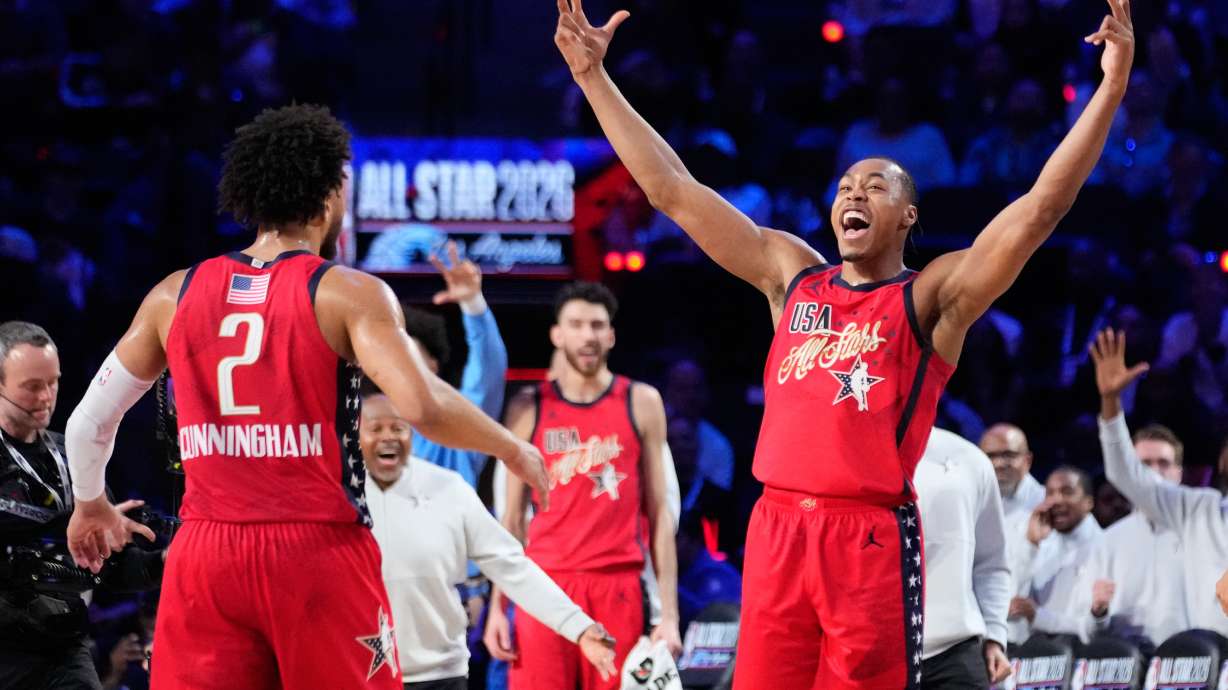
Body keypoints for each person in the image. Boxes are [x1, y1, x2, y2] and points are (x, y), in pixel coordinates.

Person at [551, 0, 1133, 685]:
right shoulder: (791, 275)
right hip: (775, 532)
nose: (853, 192)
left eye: (875, 186)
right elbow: (672, 190)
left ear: (906, 216)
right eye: (845, 185)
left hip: (866, 539)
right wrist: (593, 79)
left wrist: (1113, 85)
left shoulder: (930, 297)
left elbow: (1040, 208)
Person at [60, 104, 550, 689]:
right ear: (329, 195)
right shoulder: (348, 292)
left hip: (205, 551)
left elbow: (89, 421)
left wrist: (89, 502)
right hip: (315, 548)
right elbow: (424, 407)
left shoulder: (172, 294)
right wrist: (514, 450)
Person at [358, 385, 617, 689]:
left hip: (440, 677)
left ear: (412, 434)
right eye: (376, 428)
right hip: (354, 674)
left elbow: (513, 567)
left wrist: (579, 627)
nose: (388, 436)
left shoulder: (449, 489)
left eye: (398, 427)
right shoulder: (336, 494)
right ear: (355, 433)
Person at [490, 282, 682, 690]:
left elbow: (661, 514)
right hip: (544, 586)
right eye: (575, 324)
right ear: (557, 335)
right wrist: (497, 607)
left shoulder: (642, 401)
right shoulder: (528, 406)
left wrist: (669, 615)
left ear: (611, 335)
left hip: (619, 588)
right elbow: (510, 521)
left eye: (597, 325)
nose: (588, 335)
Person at [0, 321, 163, 690]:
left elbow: (110, 569)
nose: (46, 398)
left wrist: (166, 560)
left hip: (64, 650)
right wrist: (71, 524)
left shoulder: (76, 457)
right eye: (31, 387)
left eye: (53, 382)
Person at [1090, 328, 1228, 637]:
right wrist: (1111, 402)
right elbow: (1125, 474)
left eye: (1162, 462)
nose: (1154, 470)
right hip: (1202, 662)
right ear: (1221, 460)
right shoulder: (1196, 509)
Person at [913, 428, 1011, 688]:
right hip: (874, 649)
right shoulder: (852, 455)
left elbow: (991, 563)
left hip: (956, 649)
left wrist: (995, 635)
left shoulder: (972, 460)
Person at [406, 241, 508, 489]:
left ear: (432, 365)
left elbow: (487, 374)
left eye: (408, 353)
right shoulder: (357, 422)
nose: (398, 362)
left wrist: (473, 304)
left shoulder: (453, 427)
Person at [1077, 423, 1188, 649]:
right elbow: (1086, 631)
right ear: (1129, 473)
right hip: (1125, 666)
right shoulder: (1107, 542)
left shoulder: (1204, 533)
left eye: (1164, 463)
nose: (1154, 472)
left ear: (1178, 473)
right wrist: (1098, 612)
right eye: (1144, 464)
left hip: (1193, 664)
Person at [1009, 467, 1104, 640]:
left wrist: (1040, 617)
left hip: (1084, 656)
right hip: (1037, 653)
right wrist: (1031, 544)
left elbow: (1097, 627)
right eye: (1050, 493)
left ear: (1089, 502)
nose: (1056, 500)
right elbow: (1012, 603)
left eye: (1067, 492)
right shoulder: (1042, 544)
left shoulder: (1105, 550)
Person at [979, 424, 1044, 524]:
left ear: (1028, 461)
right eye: (990, 456)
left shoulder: (1046, 504)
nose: (998, 464)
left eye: (1008, 455)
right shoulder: (971, 499)